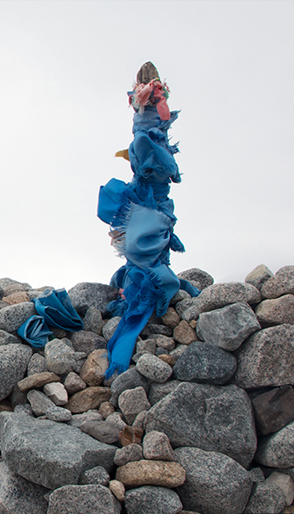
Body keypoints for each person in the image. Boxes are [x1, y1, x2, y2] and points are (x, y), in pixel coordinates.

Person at [97, 62, 199, 379]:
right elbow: (157, 159)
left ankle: (146, 288)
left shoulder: (146, 138)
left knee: (149, 248)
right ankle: (144, 291)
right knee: (147, 249)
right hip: (150, 199)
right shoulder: (144, 139)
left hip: (153, 200)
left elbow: (159, 159)